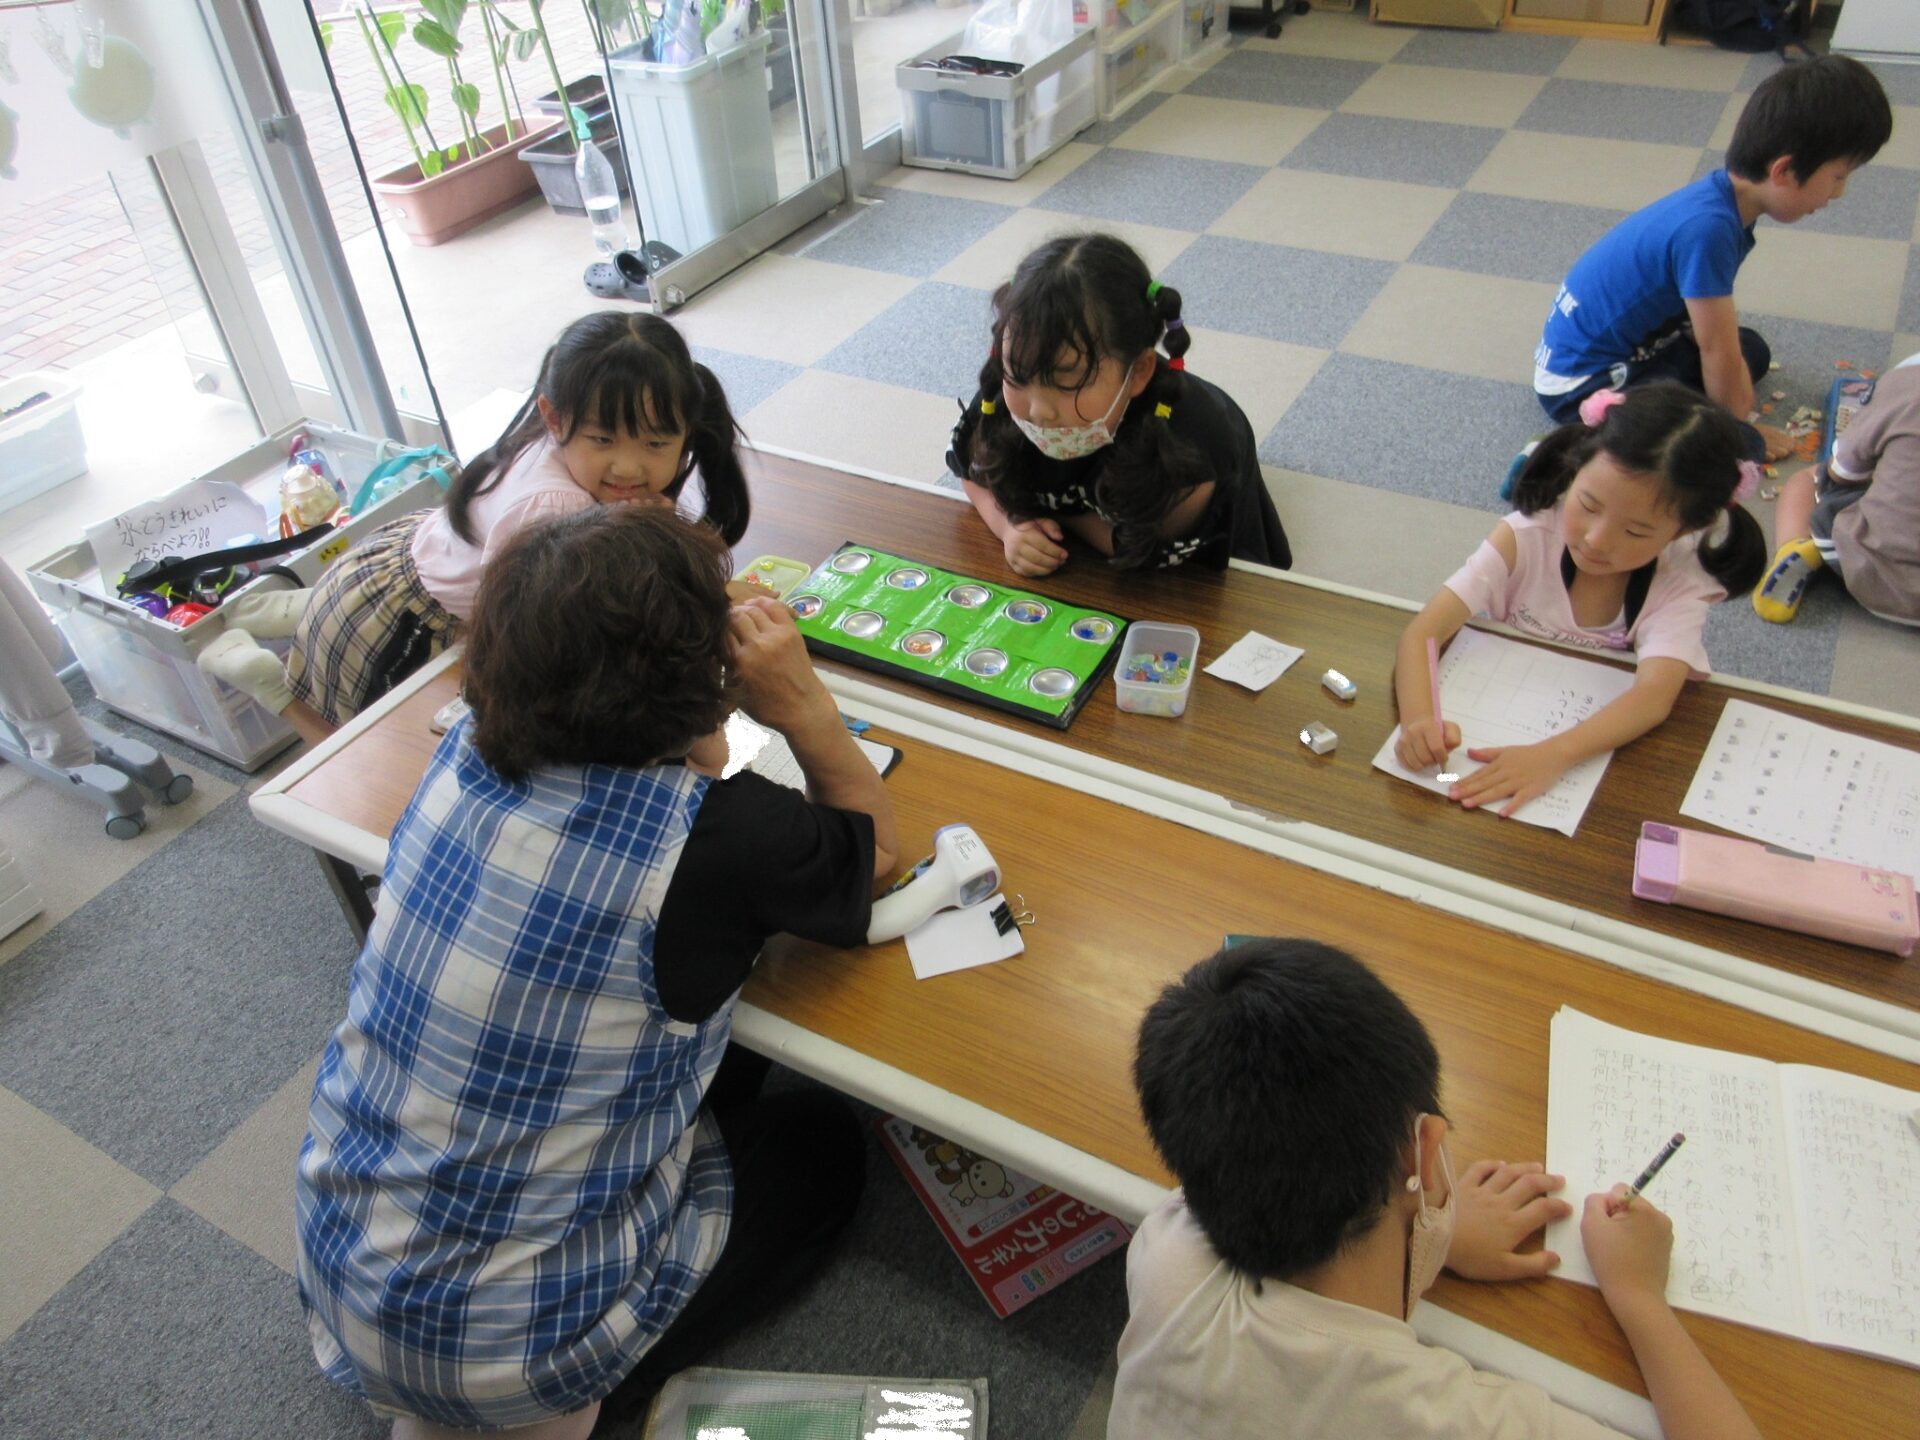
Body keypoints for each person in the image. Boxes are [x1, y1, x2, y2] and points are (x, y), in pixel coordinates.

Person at [294, 506, 898, 1440]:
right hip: (512, 1356)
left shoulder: (464, 747)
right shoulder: (725, 835)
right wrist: (804, 702)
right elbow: (876, 847)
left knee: (701, 1052)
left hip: (342, 1267)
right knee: (823, 1142)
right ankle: (594, 1405)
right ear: (710, 680)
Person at [1110, 937, 1765, 1440]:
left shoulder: (1164, 1258)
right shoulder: (1454, 1419)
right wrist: (1638, 1295)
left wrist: (1439, 1233)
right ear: (1423, 1148)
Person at [197, 310, 751, 742]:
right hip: (413, 624)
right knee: (366, 755)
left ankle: (306, 607)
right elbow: (516, 638)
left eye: (655, 444)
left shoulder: (564, 452)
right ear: (555, 417)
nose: (629, 468)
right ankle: (273, 687)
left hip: (413, 556)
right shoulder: (551, 512)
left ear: (686, 426)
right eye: (603, 440)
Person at [1396, 383, 1766, 818]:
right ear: (1575, 469)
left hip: (1592, 759)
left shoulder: (1681, 582)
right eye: (1588, 504)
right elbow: (1425, 631)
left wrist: (1554, 755)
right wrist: (1419, 719)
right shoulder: (1524, 536)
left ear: (1685, 530)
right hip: (1502, 704)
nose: (1596, 541)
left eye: (1636, 532)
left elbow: (1652, 697)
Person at [1532, 54, 1892, 464]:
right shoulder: (1709, 230)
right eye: (1839, 177)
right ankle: (1656, 426)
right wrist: (1740, 433)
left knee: (1750, 350)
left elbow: (1718, 338)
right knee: (1693, 414)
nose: (1839, 193)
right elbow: (1715, 348)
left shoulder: (1723, 201)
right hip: (1579, 383)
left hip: (1627, 349)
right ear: (1784, 171)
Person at [946, 232, 1290, 578]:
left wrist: (1062, 519)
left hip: (1203, 443)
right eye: (1017, 375)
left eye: (1067, 382)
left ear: (1139, 371)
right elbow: (971, 472)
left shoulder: (1195, 446)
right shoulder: (1002, 398)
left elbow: (1147, 548)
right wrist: (1008, 526)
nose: (1039, 411)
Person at [1753, 350, 1920, 627]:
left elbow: (1842, 472)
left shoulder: (1903, 388)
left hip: (1874, 574)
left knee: (1806, 480)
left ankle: (1794, 548)